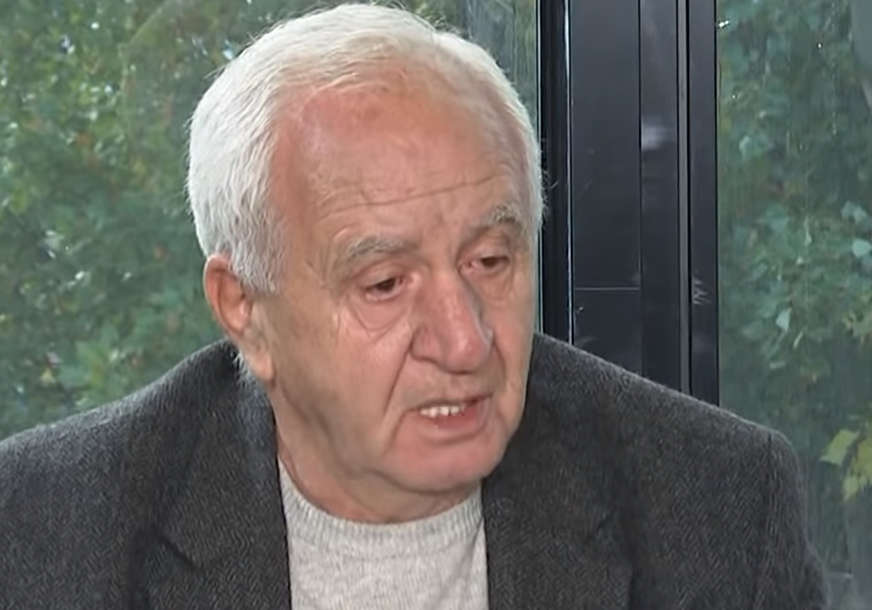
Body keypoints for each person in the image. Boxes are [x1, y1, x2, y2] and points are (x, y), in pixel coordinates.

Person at [0, 4, 827, 608]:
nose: (467, 342)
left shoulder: (715, 507)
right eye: (386, 284)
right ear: (243, 308)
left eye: (490, 261)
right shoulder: (48, 530)